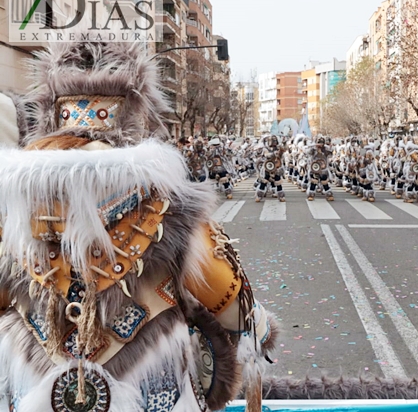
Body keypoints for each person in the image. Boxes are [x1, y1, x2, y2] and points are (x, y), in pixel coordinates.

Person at [0, 42, 276, 411]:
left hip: (33, 385)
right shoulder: (169, 201)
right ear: (135, 115)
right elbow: (229, 299)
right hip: (148, 383)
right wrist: (259, 329)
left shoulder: (11, 203)